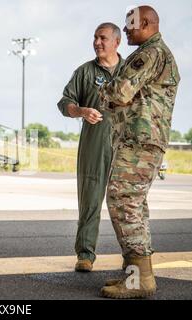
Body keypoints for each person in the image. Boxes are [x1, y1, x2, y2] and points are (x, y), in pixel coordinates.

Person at [99, 6, 180, 298]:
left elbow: (120, 92)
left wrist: (105, 91)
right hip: (141, 140)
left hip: (139, 140)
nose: (127, 28)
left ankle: (138, 281)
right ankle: (136, 274)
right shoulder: (156, 53)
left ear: (145, 23)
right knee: (133, 203)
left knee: (123, 200)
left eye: (130, 24)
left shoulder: (150, 53)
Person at [57, 23, 124, 272]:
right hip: (94, 144)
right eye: (95, 37)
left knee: (127, 203)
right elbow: (65, 102)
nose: (97, 42)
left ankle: (134, 255)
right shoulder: (85, 72)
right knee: (90, 200)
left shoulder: (130, 70)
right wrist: (81, 111)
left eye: (103, 38)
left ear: (116, 42)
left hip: (126, 145)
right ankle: (85, 254)